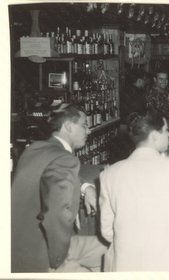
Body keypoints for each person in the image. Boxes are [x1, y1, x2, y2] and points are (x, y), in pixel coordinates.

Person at [99, 112, 169, 271]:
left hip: (126, 263)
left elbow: (107, 231)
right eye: (166, 130)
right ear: (154, 136)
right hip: (168, 261)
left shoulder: (108, 175)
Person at [11, 104, 107, 272]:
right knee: (118, 256)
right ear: (69, 127)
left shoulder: (34, 148)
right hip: (44, 256)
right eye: (84, 125)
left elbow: (51, 173)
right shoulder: (65, 159)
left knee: (111, 249)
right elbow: (57, 213)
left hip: (18, 249)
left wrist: (85, 187)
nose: (89, 130)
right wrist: (58, 261)